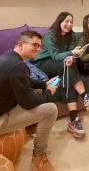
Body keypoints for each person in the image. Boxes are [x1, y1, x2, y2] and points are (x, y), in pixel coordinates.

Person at [0, 31, 58, 171]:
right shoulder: (19, 66)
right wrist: (49, 92)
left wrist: (43, 84)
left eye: (40, 46)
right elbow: (28, 103)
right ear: (21, 44)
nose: (38, 49)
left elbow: (24, 81)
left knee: (36, 94)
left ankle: (31, 130)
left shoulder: (8, 57)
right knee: (51, 109)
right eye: (35, 45)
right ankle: (38, 155)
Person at [33, 12, 89, 133]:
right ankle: (85, 96)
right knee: (68, 67)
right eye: (66, 21)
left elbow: (70, 52)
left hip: (61, 64)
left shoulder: (72, 35)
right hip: (43, 63)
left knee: (68, 72)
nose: (69, 24)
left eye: (71, 22)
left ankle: (74, 119)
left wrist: (74, 55)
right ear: (60, 22)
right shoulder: (50, 34)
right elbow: (55, 56)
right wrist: (72, 54)